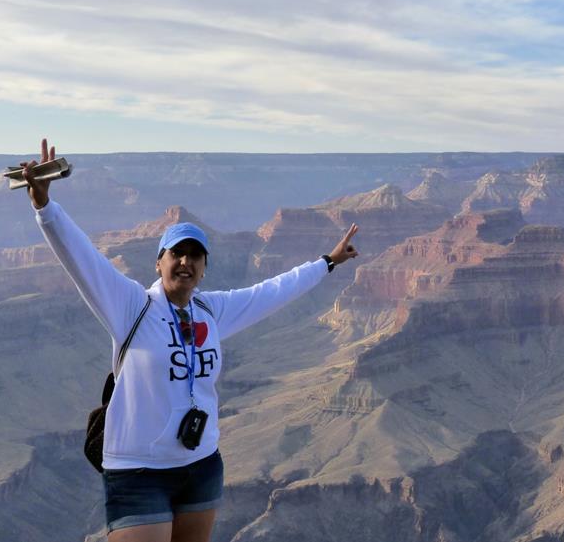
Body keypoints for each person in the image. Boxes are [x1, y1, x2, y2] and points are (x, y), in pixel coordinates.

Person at [21, 138, 359, 542]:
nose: (185, 261)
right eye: (176, 253)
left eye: (195, 255)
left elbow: (273, 291)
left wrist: (327, 263)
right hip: (137, 470)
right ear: (159, 261)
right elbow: (82, 259)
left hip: (201, 465)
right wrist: (45, 208)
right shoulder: (131, 306)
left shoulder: (211, 311)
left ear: (204, 267)